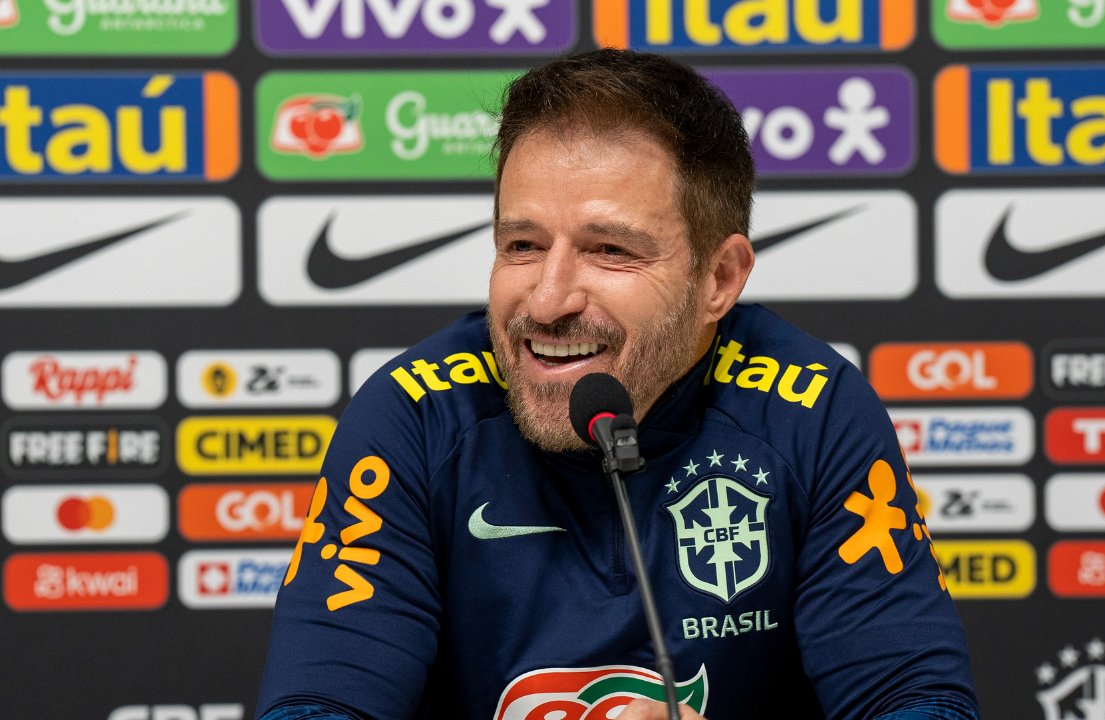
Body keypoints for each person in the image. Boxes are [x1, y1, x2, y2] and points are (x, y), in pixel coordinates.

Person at [256, 49, 980, 720]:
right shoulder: (414, 417)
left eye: (609, 250)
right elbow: (316, 704)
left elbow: (917, 702)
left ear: (719, 279)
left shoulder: (814, 413)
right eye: (523, 246)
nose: (545, 301)